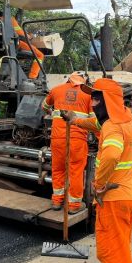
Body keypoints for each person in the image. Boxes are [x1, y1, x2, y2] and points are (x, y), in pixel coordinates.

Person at [64, 78, 132, 263]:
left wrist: (99, 185)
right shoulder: (126, 117)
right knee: (120, 247)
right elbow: (97, 125)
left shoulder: (113, 127)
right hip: (129, 194)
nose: (92, 103)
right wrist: (75, 120)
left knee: (112, 253)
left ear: (108, 101)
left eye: (96, 99)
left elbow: (111, 155)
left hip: (113, 197)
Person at [41, 71, 94, 214]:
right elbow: (94, 121)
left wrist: (53, 108)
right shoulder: (88, 95)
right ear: (84, 81)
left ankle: (57, 201)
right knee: (75, 171)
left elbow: (44, 107)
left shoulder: (56, 90)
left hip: (57, 138)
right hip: (77, 139)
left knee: (58, 168)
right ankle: (74, 205)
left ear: (69, 78)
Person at [0, 10, 44, 79]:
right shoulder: (9, 19)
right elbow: (20, 32)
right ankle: (32, 77)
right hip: (13, 45)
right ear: (0, 16)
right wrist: (29, 37)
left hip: (1, 49)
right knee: (40, 55)